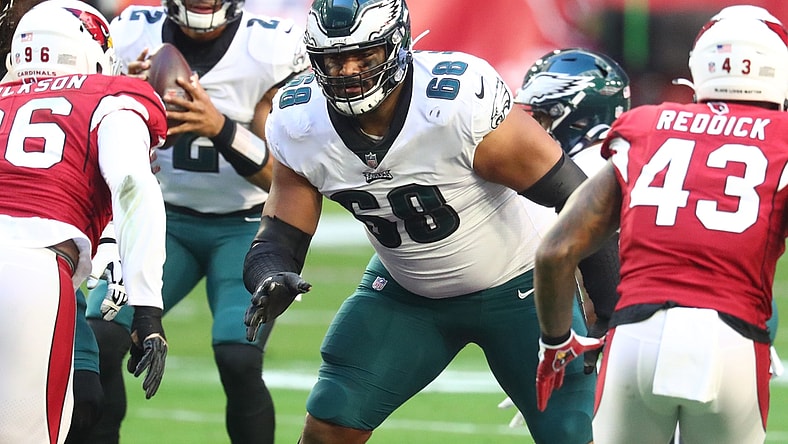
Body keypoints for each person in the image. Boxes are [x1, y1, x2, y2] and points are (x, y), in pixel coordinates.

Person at [241, 0, 619, 442]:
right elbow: (280, 232)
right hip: (408, 295)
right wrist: (269, 274)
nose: (348, 71)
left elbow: (581, 201)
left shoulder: (457, 105)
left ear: (397, 46)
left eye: (364, 55)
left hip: (520, 292)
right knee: (330, 420)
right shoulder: (300, 121)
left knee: (570, 433)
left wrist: (607, 317)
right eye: (334, 59)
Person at [532, 5, 788, 444]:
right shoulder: (781, 136)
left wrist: (556, 342)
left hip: (635, 337)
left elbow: (556, 251)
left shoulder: (648, 124)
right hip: (732, 339)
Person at [83, 0, 309, 442]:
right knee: (101, 340)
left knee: (238, 359)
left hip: (247, 224)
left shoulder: (271, 47)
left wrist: (220, 128)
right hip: (163, 220)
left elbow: (287, 175)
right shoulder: (129, 32)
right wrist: (116, 89)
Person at [0, 0, 169, 442]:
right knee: (28, 432)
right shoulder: (111, 96)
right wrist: (147, 307)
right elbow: (134, 184)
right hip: (30, 268)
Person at [498, 46, 630, 427]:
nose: (530, 130)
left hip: (636, 329)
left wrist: (557, 351)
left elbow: (589, 271)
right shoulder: (637, 153)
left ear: (576, 116)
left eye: (541, 116)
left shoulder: (583, 173)